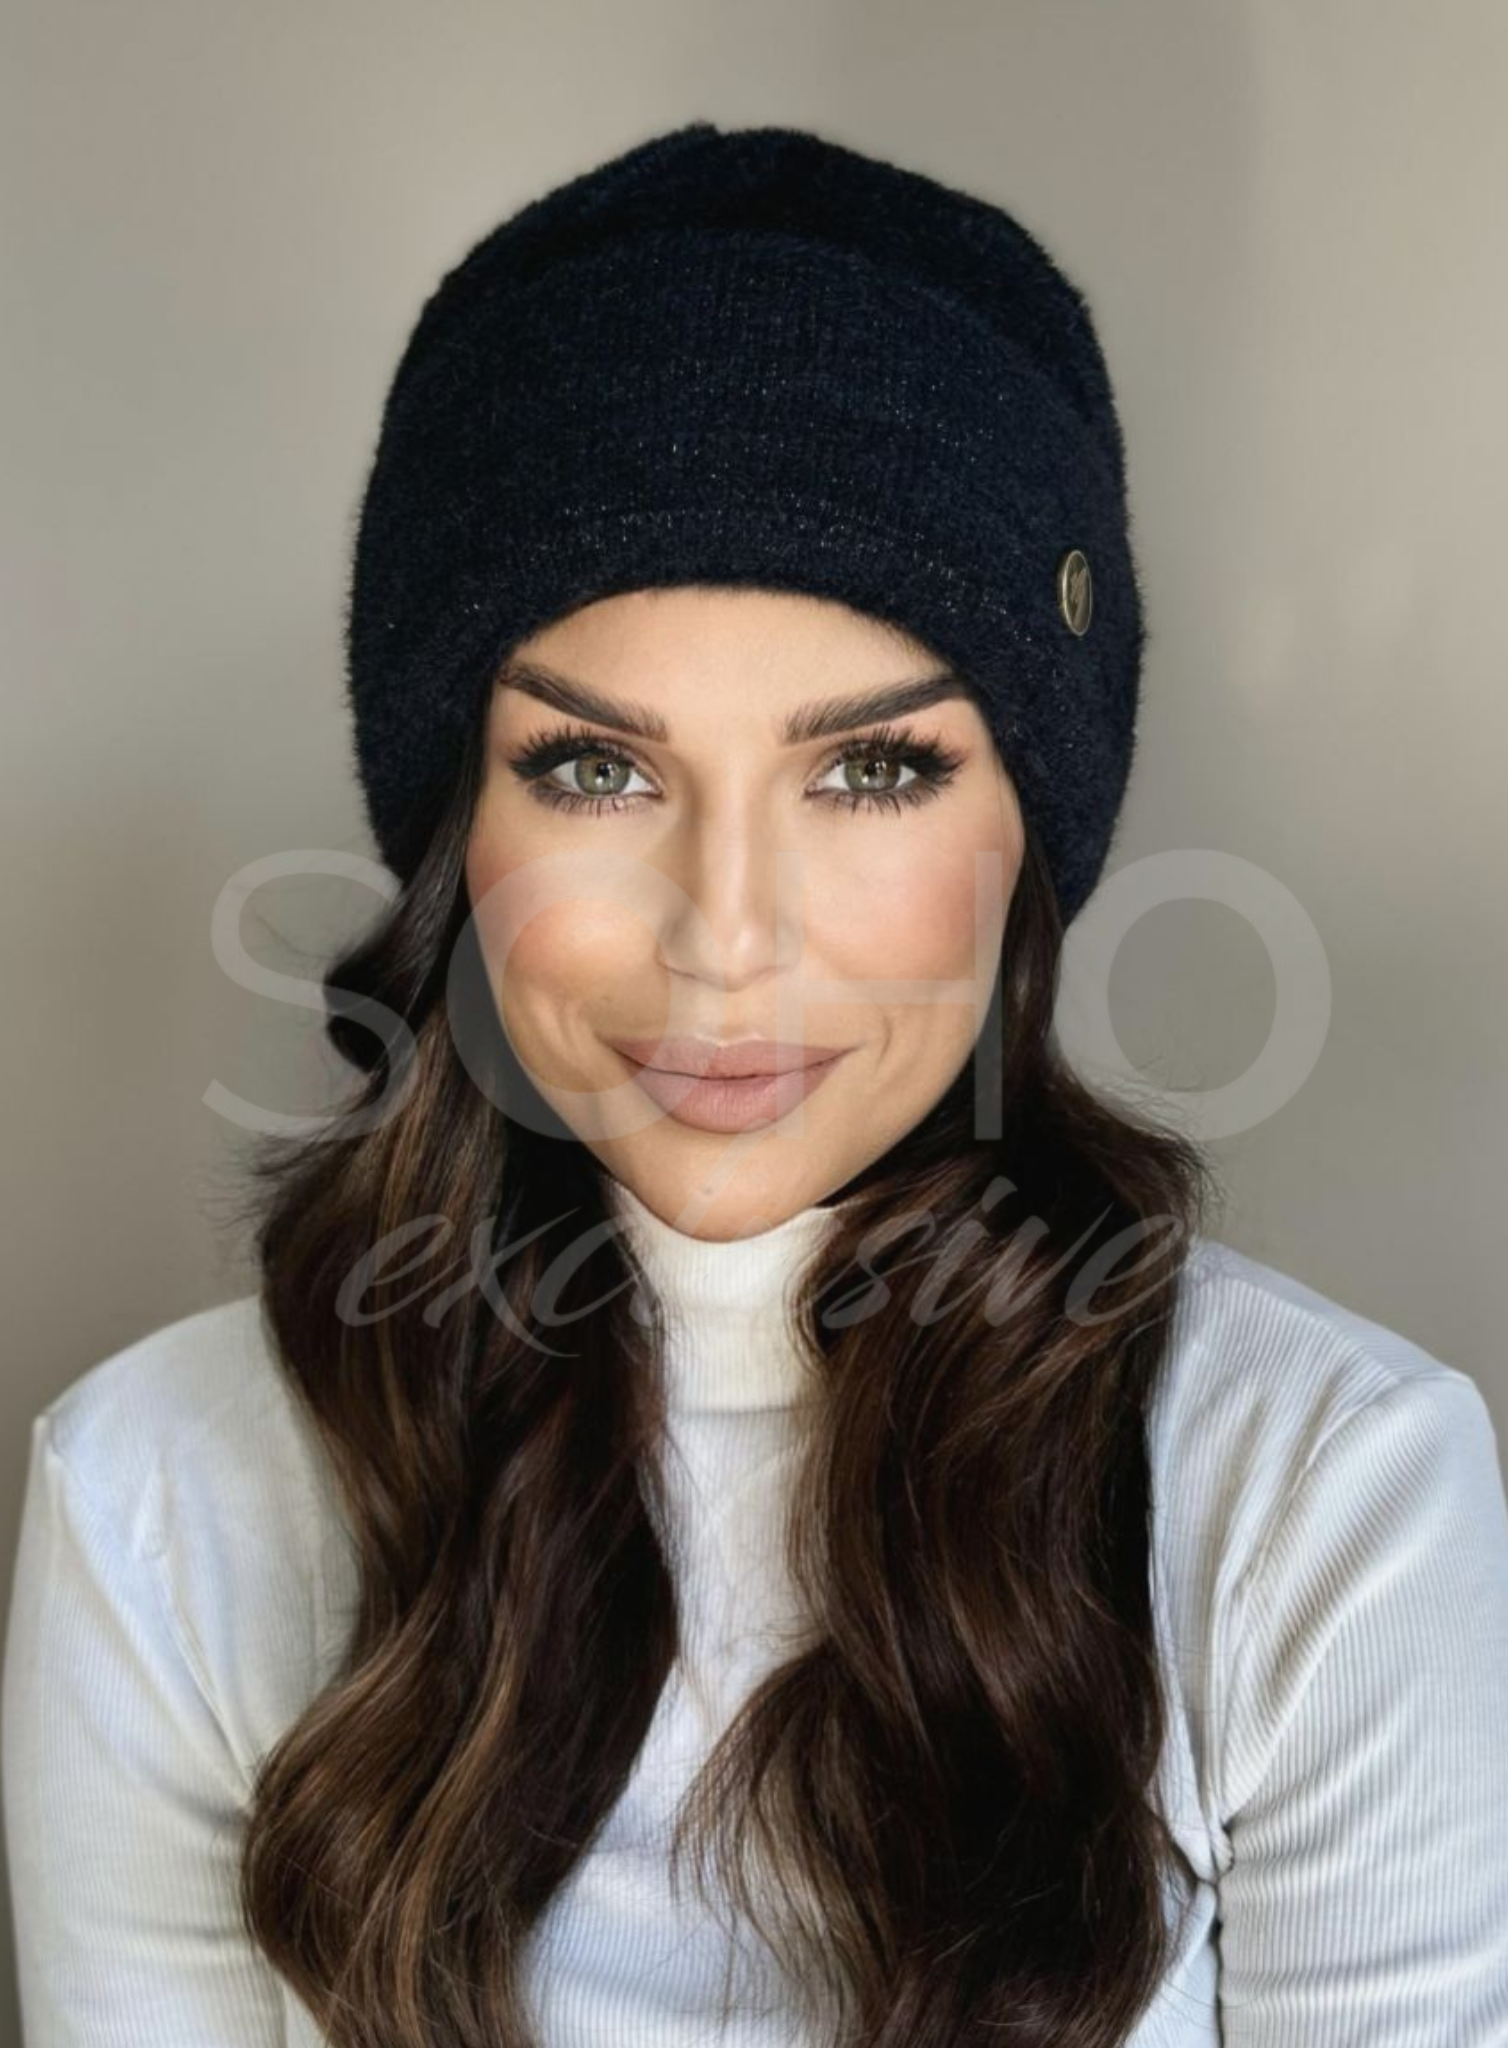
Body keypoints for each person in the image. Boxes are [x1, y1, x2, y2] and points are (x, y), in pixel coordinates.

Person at [5, 119, 1508, 2048]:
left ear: (1026, 842)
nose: (724, 938)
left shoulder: (1323, 1502)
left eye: (871, 771)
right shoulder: (159, 1503)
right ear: (459, 830)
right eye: (595, 769)